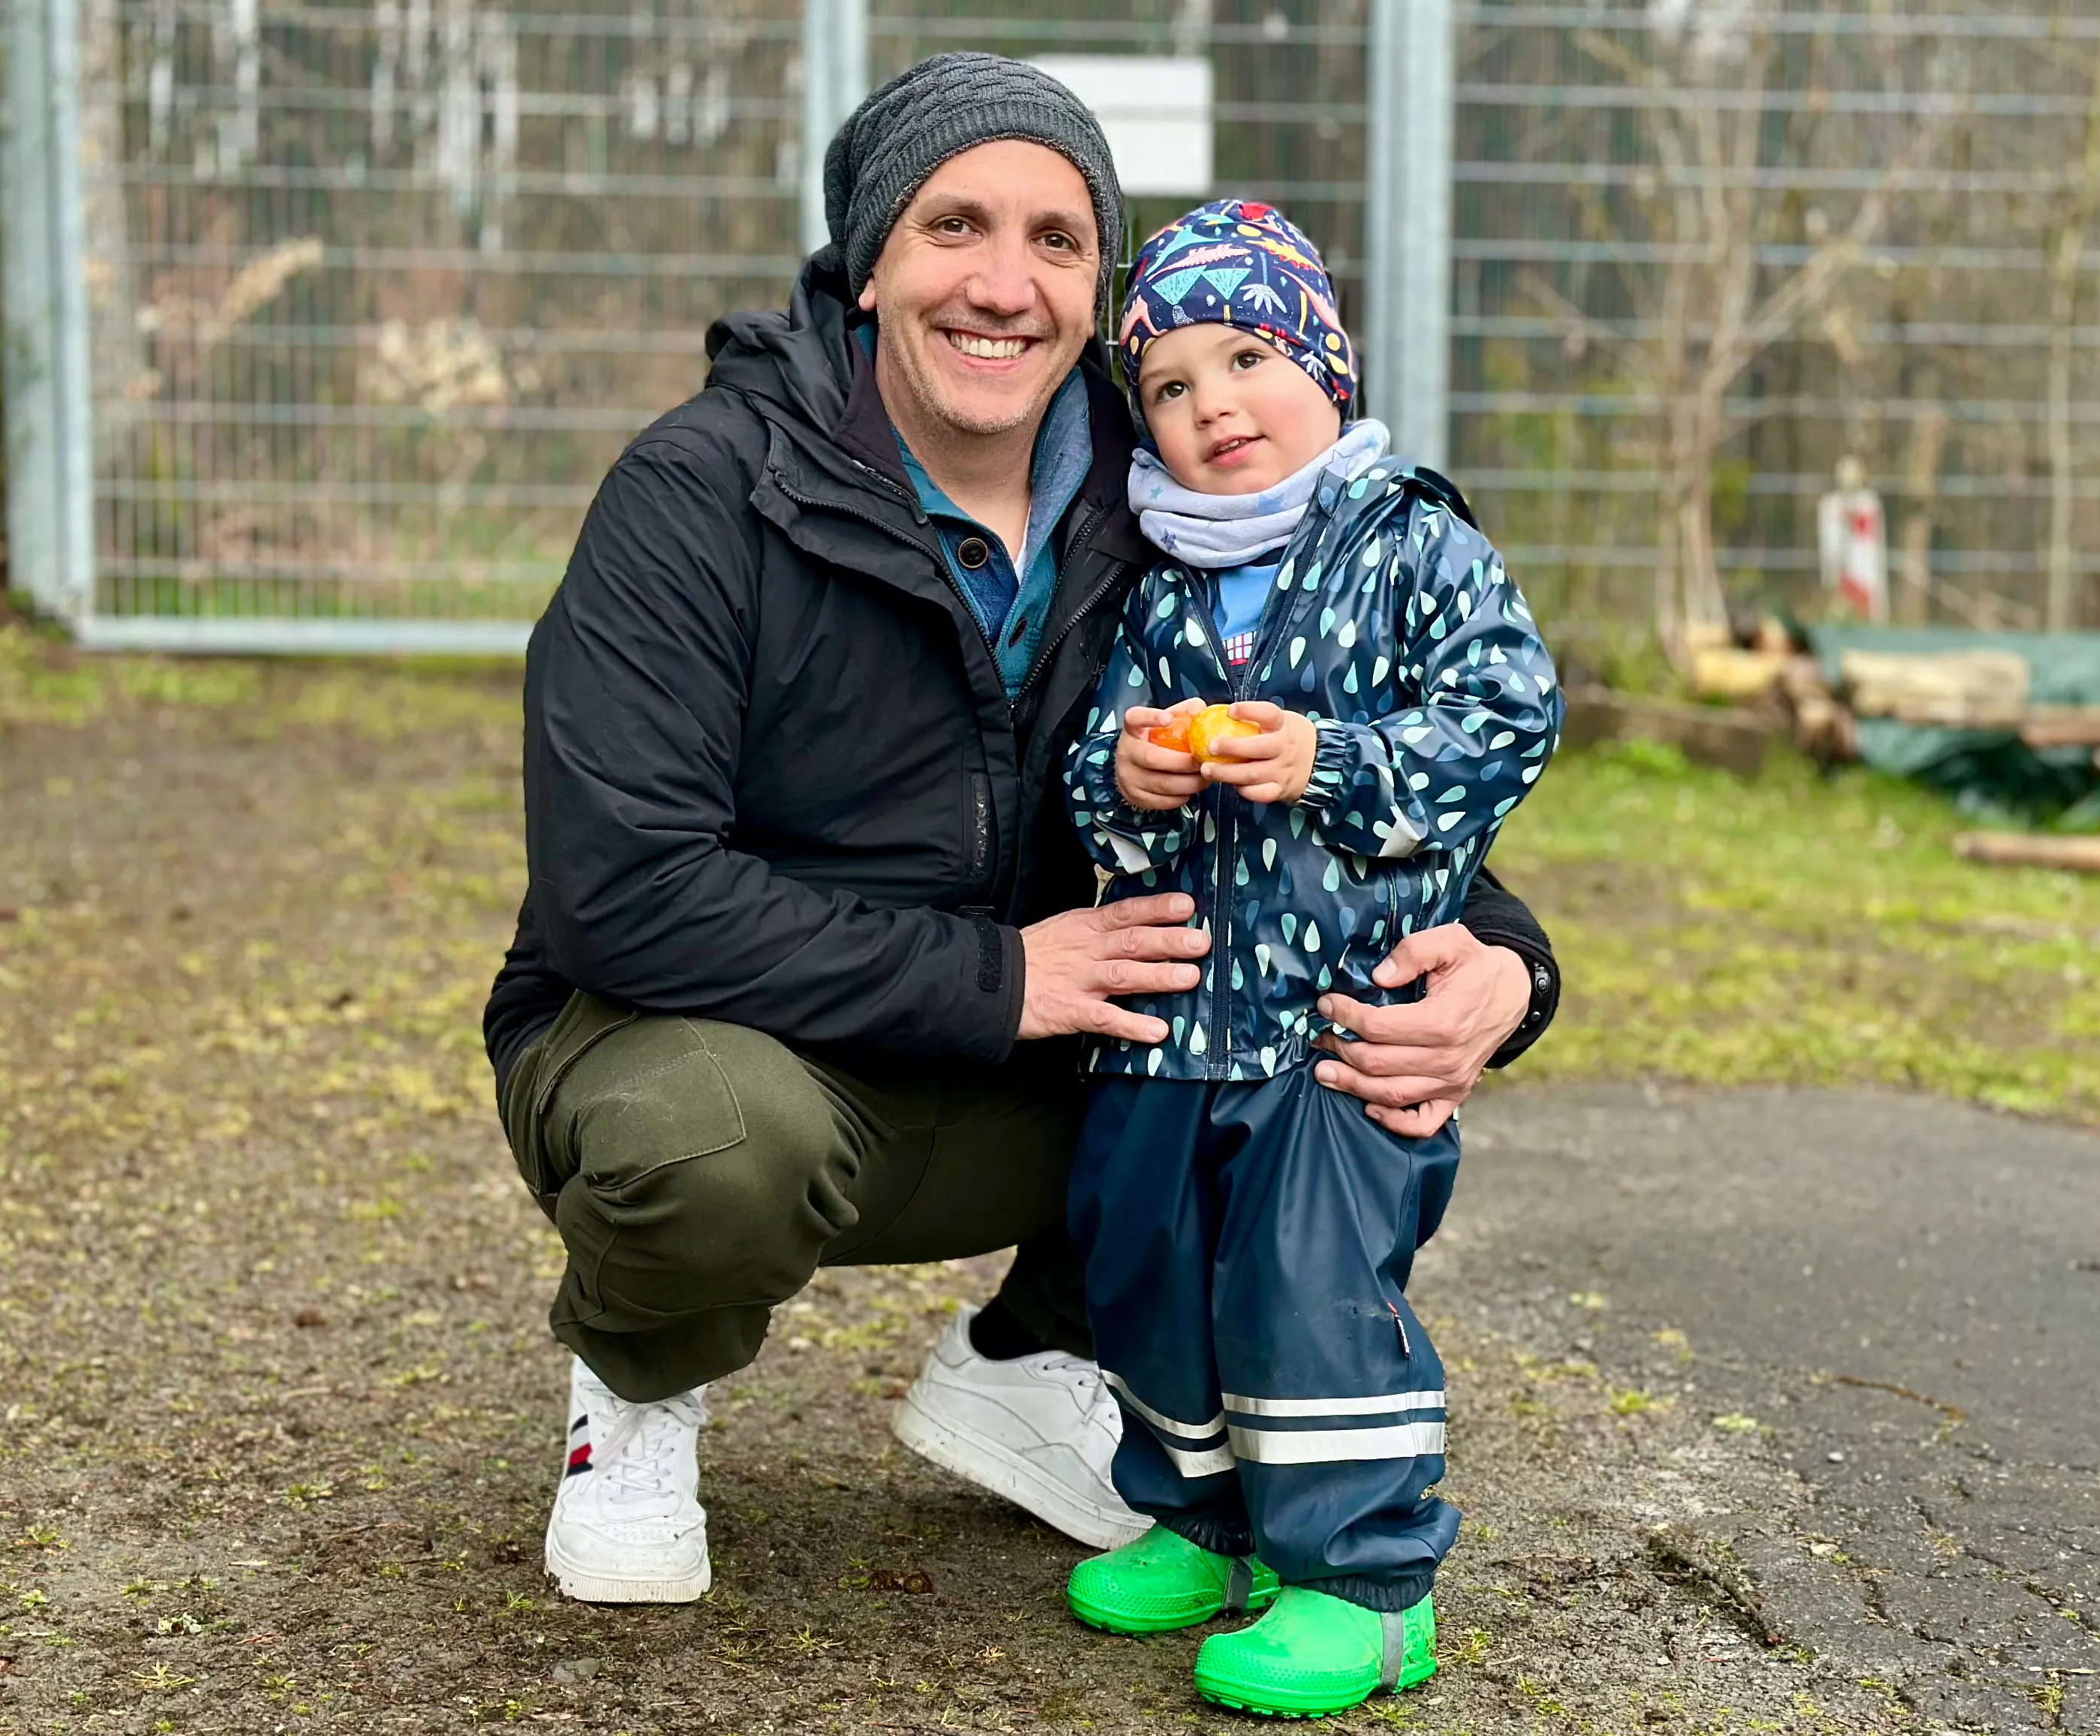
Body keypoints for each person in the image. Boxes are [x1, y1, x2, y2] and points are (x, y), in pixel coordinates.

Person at [482, 56, 1564, 1609]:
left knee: (1259, 1065)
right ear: (869, 267)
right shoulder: (703, 491)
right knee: (711, 1146)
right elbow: (620, 889)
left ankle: (1035, 1357)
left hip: (1015, 1065)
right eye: (953, 228)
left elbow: (1291, 790)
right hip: (716, 1038)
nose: (1004, 284)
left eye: (1057, 240)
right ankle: (637, 1391)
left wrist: (1510, 971)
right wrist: (1003, 979)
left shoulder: (1170, 498)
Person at [1054, 200, 1564, 1716]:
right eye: (1170, 385)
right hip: (1170, 1016)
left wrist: (1330, 758)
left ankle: (1361, 1581)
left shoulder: (1411, 541)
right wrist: (1125, 780)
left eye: (1251, 358)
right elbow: (1094, 767)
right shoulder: (1162, 586)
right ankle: (1208, 1523)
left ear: (1327, 365)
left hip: (1338, 1014)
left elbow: (1509, 716)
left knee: (1307, 1281)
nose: (1215, 405)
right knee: (1148, 1260)